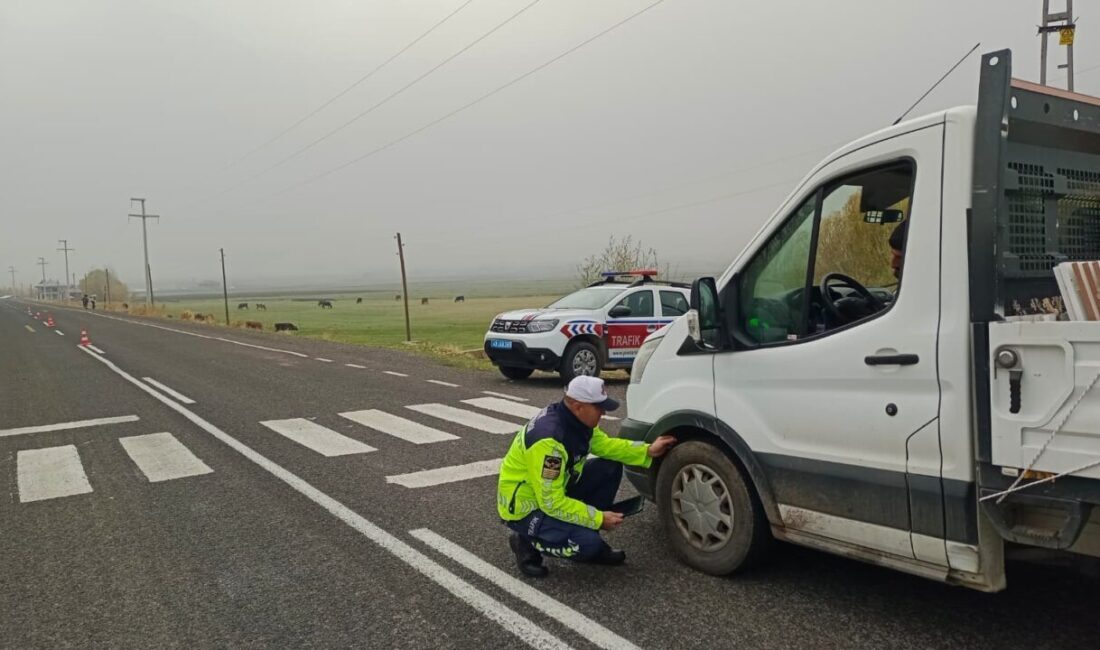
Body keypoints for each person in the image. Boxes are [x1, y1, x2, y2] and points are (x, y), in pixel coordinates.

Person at [496, 376, 676, 577]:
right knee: (586, 544)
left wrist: (647, 450)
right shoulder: (549, 442)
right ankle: (525, 540)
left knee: (609, 466)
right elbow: (551, 502)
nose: (603, 412)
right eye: (598, 407)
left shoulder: (577, 421)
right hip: (527, 508)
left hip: (554, 488)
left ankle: (585, 534)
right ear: (578, 406)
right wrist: (598, 519)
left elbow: (606, 446)